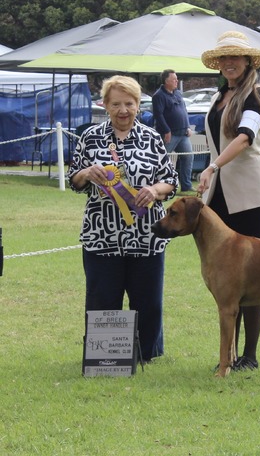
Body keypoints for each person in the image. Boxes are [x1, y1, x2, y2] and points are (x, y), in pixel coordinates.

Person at [68, 75, 179, 364]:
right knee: (103, 298)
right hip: (101, 236)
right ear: (104, 104)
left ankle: (145, 355)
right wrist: (86, 173)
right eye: (115, 104)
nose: (123, 110)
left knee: (148, 301)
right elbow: (74, 179)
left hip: (146, 237)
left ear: (138, 104)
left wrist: (154, 190)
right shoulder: (89, 137)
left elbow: (170, 179)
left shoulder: (152, 138)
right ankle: (106, 358)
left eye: (129, 104)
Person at [198, 31, 260, 371]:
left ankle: (250, 355)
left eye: (236, 57)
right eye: (224, 57)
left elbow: (245, 137)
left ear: (248, 62)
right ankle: (227, 355)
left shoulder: (256, 95)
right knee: (224, 277)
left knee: (253, 276)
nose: (229, 62)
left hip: (250, 196)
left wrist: (213, 166)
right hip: (218, 196)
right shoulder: (220, 96)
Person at [152, 69, 195, 192]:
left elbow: (184, 110)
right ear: (166, 81)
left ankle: (186, 186)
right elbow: (158, 115)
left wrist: (188, 126)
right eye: (174, 79)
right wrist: (166, 131)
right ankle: (156, 184)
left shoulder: (178, 93)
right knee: (162, 159)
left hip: (183, 134)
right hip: (169, 135)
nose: (177, 81)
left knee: (188, 157)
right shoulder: (158, 96)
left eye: (176, 79)